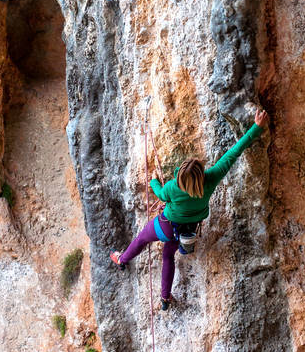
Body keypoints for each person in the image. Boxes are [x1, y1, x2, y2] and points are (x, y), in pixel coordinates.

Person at [110, 108, 269, 309]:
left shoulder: (173, 186)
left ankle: (122, 259)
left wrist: (153, 182)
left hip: (166, 226)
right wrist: (256, 128)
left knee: (142, 238)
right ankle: (165, 298)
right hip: (187, 231)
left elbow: (160, 194)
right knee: (168, 256)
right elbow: (232, 154)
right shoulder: (210, 180)